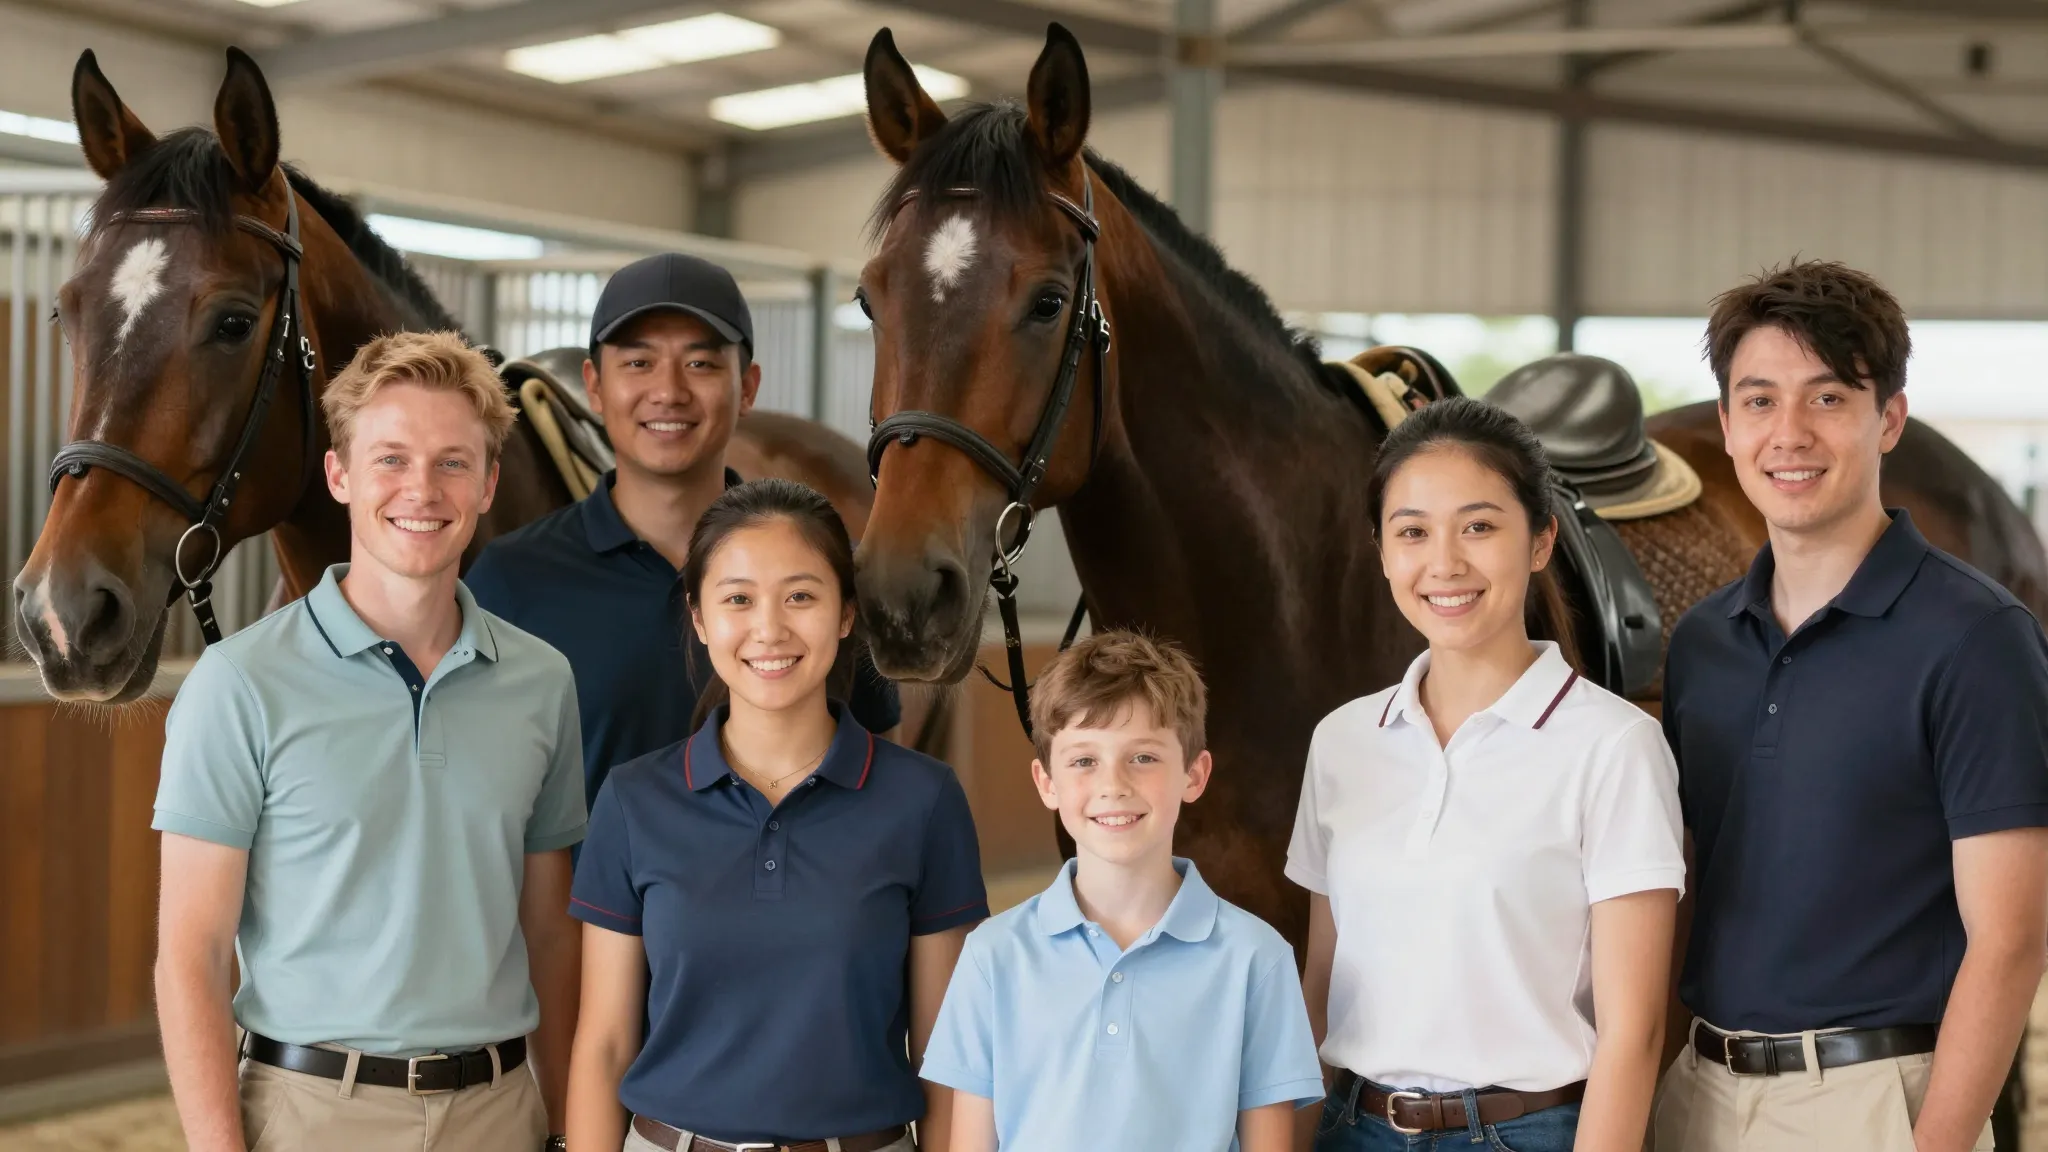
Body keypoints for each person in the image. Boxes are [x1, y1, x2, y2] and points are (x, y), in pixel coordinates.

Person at [152, 331, 586, 1152]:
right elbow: (191, 956)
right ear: (339, 475)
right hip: (311, 1112)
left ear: (489, 484)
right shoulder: (238, 684)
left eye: (453, 462)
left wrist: (567, 1128)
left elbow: (550, 933)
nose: (421, 488)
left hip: (500, 1113)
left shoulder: (543, 682)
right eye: (390, 458)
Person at [1651, 260, 2048, 1152]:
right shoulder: (1704, 641)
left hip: (1875, 1107)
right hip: (1698, 1098)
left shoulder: (1978, 636)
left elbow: (2013, 939)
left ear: (1890, 420)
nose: (1787, 433)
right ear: (1725, 425)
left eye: (1828, 399)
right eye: (1758, 401)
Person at [1292, 397, 1684, 1152]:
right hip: (1350, 1130)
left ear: (1540, 541)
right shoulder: (1342, 741)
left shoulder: (1615, 746)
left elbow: (1634, 1035)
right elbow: (1320, 986)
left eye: (1479, 526)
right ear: (1381, 550)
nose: (1445, 563)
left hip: (1527, 1134)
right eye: (1413, 532)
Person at [564, 478, 985, 1152]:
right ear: (699, 619)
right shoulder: (633, 799)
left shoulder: (924, 801)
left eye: (801, 596)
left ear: (847, 613)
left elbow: (946, 1058)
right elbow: (605, 1045)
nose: (770, 629)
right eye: (737, 599)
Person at [465, 253, 901, 826]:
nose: (668, 391)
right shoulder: (509, 582)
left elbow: (879, 762)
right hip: (590, 917)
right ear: (594, 387)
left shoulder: (824, 568)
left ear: (747, 387)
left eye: (700, 363)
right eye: (639, 362)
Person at [921, 630, 1324, 1152]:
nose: (1114, 785)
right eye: (1084, 760)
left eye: (1143, 758)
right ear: (1046, 782)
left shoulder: (1257, 958)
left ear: (1194, 775)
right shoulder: (993, 955)